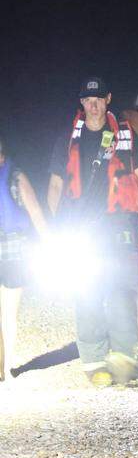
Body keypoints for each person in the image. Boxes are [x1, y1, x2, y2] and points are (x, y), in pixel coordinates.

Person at [45, 76, 138, 386]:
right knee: (87, 291)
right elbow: (55, 185)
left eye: (98, 99)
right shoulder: (68, 138)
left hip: (119, 226)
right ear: (82, 102)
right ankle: (94, 363)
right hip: (82, 228)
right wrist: (53, 230)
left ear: (108, 99)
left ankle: (123, 358)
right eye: (87, 100)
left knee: (121, 290)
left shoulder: (125, 135)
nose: (93, 106)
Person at [0, 136, 50, 381]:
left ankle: (5, 365)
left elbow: (36, 212)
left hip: (14, 254)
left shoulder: (16, 176)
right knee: (8, 313)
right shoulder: (16, 175)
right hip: (14, 252)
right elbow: (35, 211)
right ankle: (6, 367)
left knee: (8, 312)